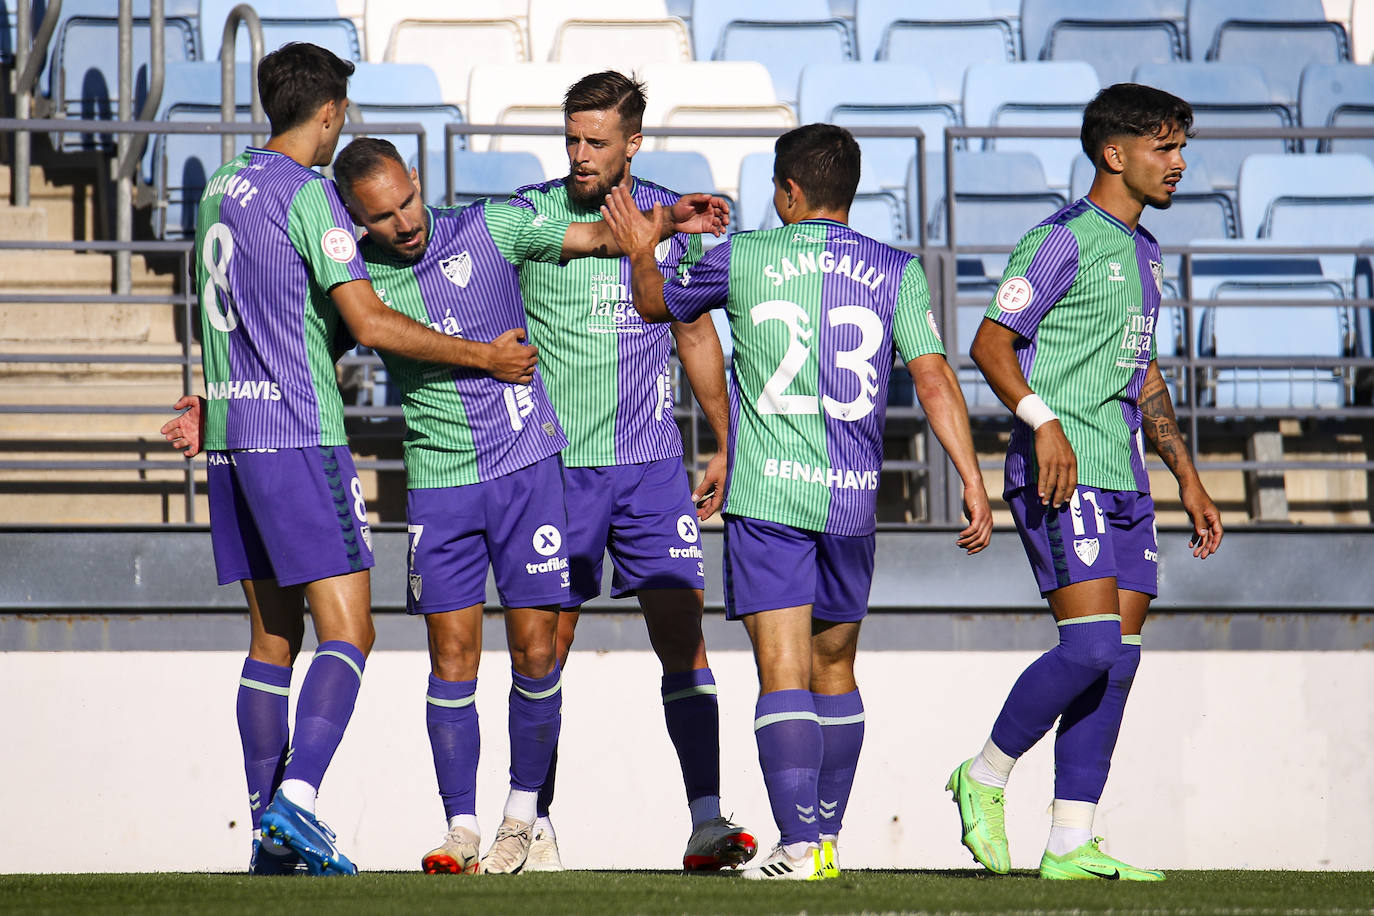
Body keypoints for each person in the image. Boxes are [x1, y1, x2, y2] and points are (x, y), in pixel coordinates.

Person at [168, 135, 729, 875]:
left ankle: (521, 819)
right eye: (383, 216)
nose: (404, 222)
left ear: (417, 180)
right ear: (356, 220)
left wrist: (663, 219)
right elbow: (290, 348)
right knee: (451, 660)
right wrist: (209, 407)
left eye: (406, 201)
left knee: (536, 650)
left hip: (528, 471)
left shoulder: (489, 225)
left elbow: (593, 235)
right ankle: (460, 827)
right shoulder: (356, 281)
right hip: (438, 482)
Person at [169, 42, 539, 877]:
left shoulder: (220, 187)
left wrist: (210, 397)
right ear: (330, 113)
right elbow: (366, 324)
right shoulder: (311, 196)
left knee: (272, 642)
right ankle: (296, 804)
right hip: (299, 436)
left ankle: (270, 838)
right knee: (351, 632)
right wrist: (485, 356)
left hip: (233, 436)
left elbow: (235, 309)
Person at [599, 123, 994, 880]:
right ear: (848, 191)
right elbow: (937, 379)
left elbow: (657, 307)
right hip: (852, 502)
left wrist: (642, 250)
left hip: (771, 495)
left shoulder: (744, 256)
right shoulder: (895, 269)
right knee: (836, 672)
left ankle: (796, 844)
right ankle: (827, 841)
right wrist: (971, 477)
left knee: (782, 674)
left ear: (788, 191)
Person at [949, 83, 1224, 882]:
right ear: (1115, 154)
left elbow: (1141, 375)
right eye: (1163, 148)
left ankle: (1070, 839)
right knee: (1092, 644)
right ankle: (985, 774)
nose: (1179, 163)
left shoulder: (1145, 252)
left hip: (1126, 473)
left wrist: (1190, 477)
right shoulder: (1063, 238)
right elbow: (991, 343)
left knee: (1121, 658)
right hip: (1061, 470)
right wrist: (1043, 421)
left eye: (1180, 146)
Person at [506, 70, 753, 872]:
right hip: (559, 466)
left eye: (596, 142)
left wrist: (725, 437)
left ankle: (707, 821)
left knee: (684, 642)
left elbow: (692, 333)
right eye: (571, 139)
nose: (580, 155)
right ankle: (531, 820)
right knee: (543, 649)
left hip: (650, 469)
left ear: (632, 143)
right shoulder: (538, 213)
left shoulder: (671, 218)